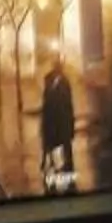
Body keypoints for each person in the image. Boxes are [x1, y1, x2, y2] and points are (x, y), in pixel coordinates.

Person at [39, 57, 77, 192]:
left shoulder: (61, 81)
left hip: (59, 117)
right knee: (57, 142)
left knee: (61, 141)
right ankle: (56, 166)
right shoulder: (55, 81)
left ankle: (64, 167)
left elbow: (66, 101)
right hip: (56, 117)